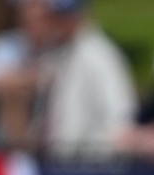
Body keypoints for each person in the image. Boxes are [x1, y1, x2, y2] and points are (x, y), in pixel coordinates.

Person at [37, 0, 137, 162]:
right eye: (55, 16)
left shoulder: (99, 56)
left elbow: (120, 118)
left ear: (81, 16)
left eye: (65, 16)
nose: (58, 22)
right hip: (61, 161)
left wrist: (87, 152)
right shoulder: (61, 51)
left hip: (87, 164)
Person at [0, 0, 51, 151]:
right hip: (1, 124)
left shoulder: (57, 45)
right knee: (14, 95)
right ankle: (20, 150)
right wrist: (32, 79)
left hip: (49, 114)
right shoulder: (4, 45)